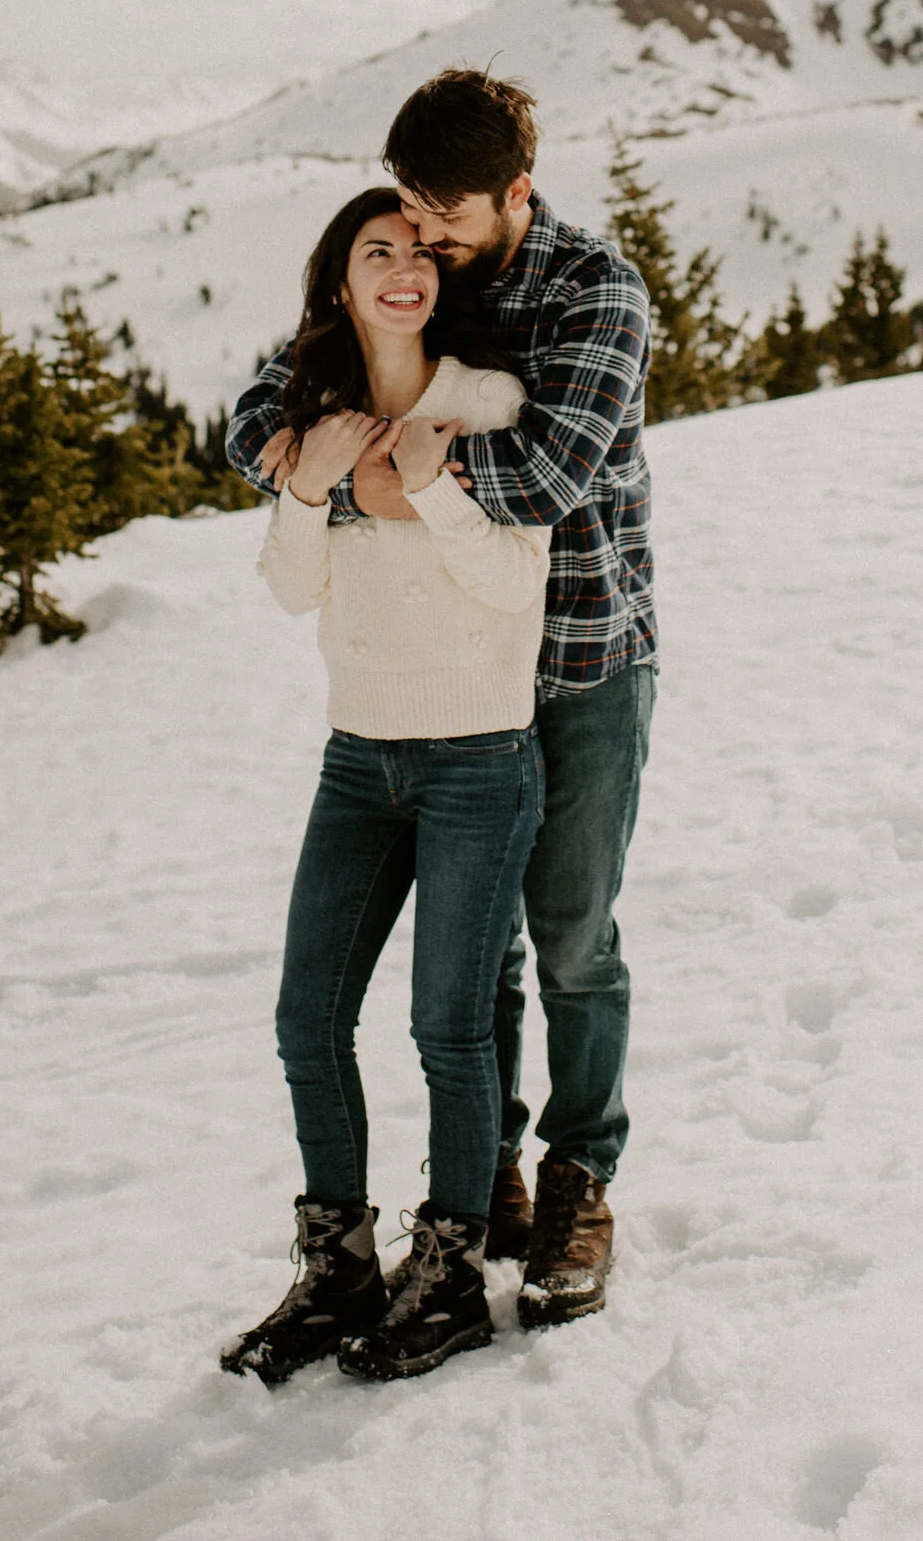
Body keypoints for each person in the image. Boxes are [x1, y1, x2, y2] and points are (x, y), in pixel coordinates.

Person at [229, 69, 654, 1332]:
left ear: (516, 190)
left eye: (444, 209)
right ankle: (493, 1181)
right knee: (486, 969)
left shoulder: (595, 291)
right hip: (434, 686)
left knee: (572, 935)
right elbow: (279, 391)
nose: (420, 231)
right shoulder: (425, 256)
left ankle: (580, 1173)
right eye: (406, 204)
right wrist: (292, 454)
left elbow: (545, 475)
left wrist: (348, 482)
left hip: (576, 658)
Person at [221, 186, 551, 1388]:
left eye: (418, 253)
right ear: (341, 281)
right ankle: (339, 1267)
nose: (403, 269)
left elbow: (518, 584)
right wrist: (311, 490)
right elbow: (291, 590)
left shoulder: (485, 400)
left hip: (477, 756)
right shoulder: (313, 416)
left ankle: (452, 1275)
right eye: (377, 253)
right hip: (357, 757)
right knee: (307, 1019)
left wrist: (437, 485)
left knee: (448, 1031)